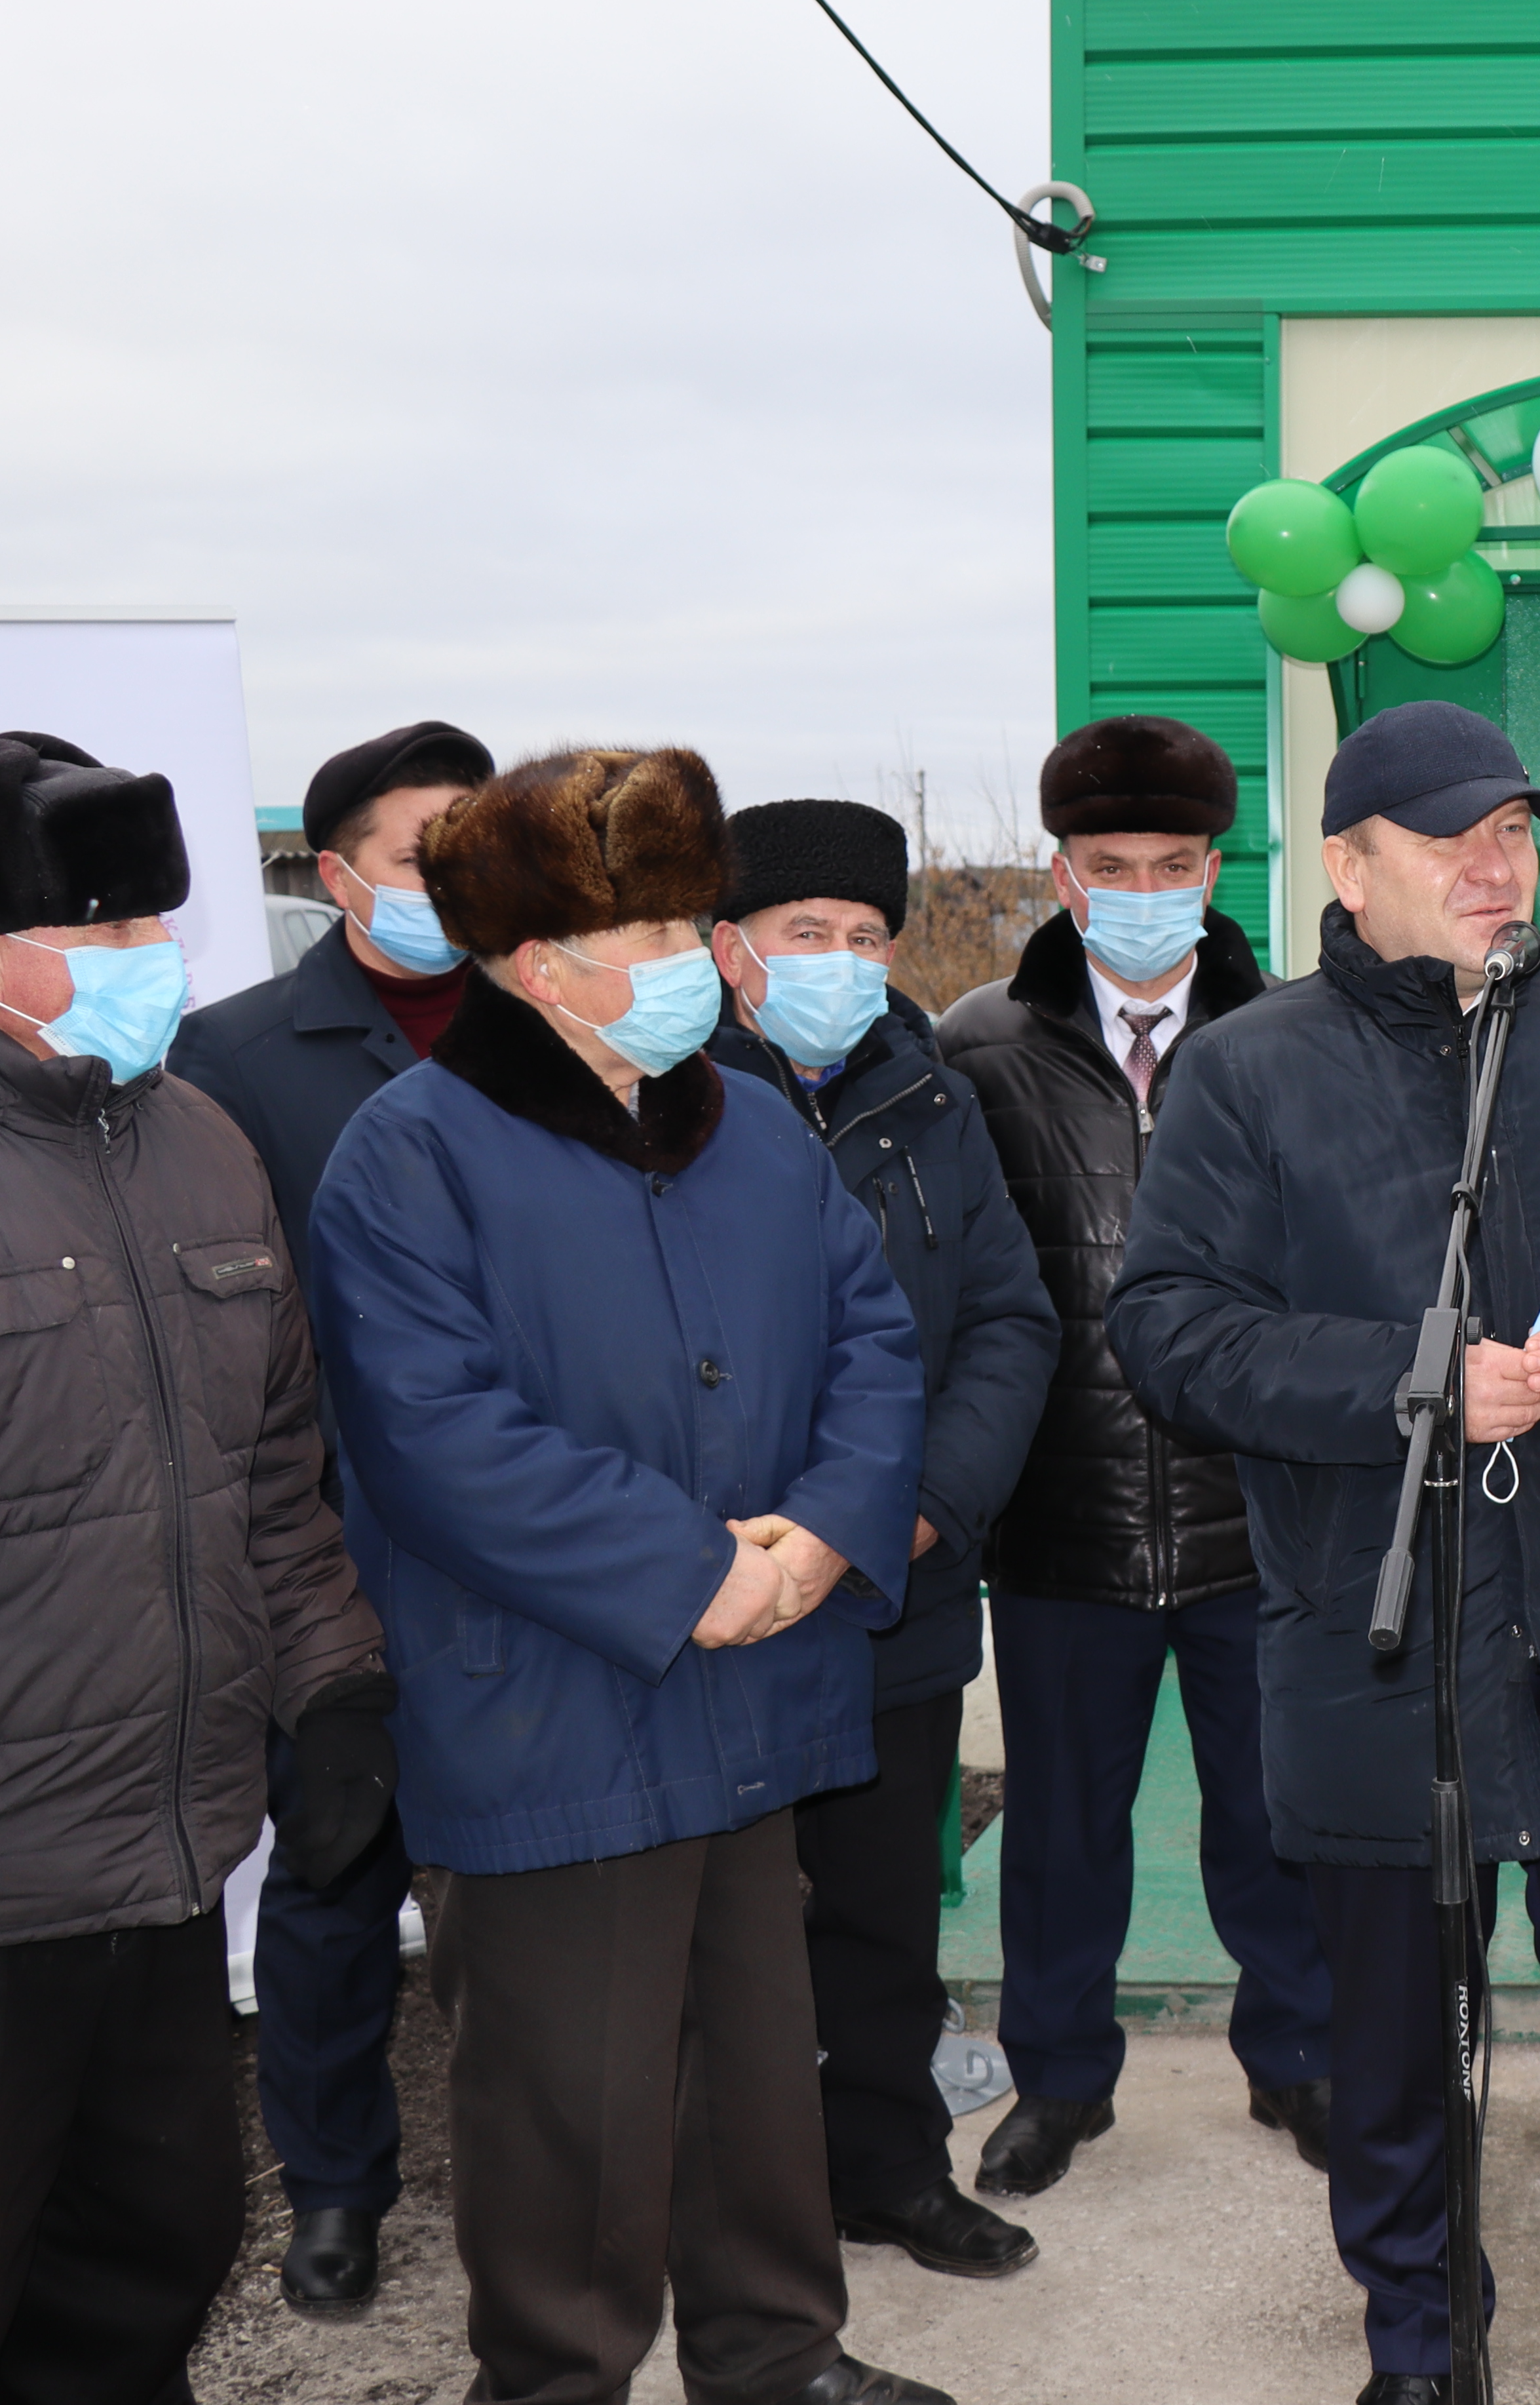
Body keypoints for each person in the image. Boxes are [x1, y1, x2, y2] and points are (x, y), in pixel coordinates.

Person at [1106, 702, 1540, 2405]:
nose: (1499, 868)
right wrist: (1407, 1379)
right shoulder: (1249, 1069)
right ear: (1349, 868)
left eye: (1516, 834)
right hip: (1375, 1646)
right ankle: (1425, 2342)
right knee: (1395, 2063)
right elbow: (1171, 1333)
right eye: (1451, 840)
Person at [306, 746, 952, 2405]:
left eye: (687, 917)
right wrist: (684, 1571)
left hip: (756, 1685)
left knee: (755, 2066)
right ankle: (557, 2373)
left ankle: (776, 2350)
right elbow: (435, 1431)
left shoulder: (747, 1129)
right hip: (558, 1703)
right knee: (568, 2099)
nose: (694, 958)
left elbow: (872, 1339)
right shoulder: (413, 1151)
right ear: (534, 963)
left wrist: (820, 1530)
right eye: (653, 928)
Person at [0, 732, 390, 2400]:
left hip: (162, 1850)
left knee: (154, 2257)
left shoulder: (191, 1134)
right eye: (121, 936)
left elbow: (272, 1461)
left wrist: (334, 1681)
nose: (164, 969)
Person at [935, 717, 1335, 2196]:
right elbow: (963, 1286)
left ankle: (1299, 2053)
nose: (1147, 889)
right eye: (1113, 866)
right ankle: (1059, 2076)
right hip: (1062, 1516)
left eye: (1176, 863)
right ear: (1063, 873)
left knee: (1277, 1814)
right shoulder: (977, 1045)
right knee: (1057, 1829)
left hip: (1258, 1507)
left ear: (1217, 866)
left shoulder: (1299, 1035)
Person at [704, 800, 1058, 2278]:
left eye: (865, 937)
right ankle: (744, 2221)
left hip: (896, 1585)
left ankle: (892, 2169)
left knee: (882, 1913)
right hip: (723, 1596)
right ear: (731, 951)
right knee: (727, 1942)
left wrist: (919, 1509)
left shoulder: (931, 1098)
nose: (844, 962)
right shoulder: (662, 1099)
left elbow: (1005, 1323)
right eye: (809, 937)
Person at [171, 713, 495, 2316]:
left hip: (522, 1547)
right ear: (337, 872)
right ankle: (336, 2185)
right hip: (329, 1549)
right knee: (331, 1873)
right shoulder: (233, 1055)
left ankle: (538, 2179)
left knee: (522, 1887)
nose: (449, 878)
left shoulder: (553, 1019)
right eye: (417, 851)